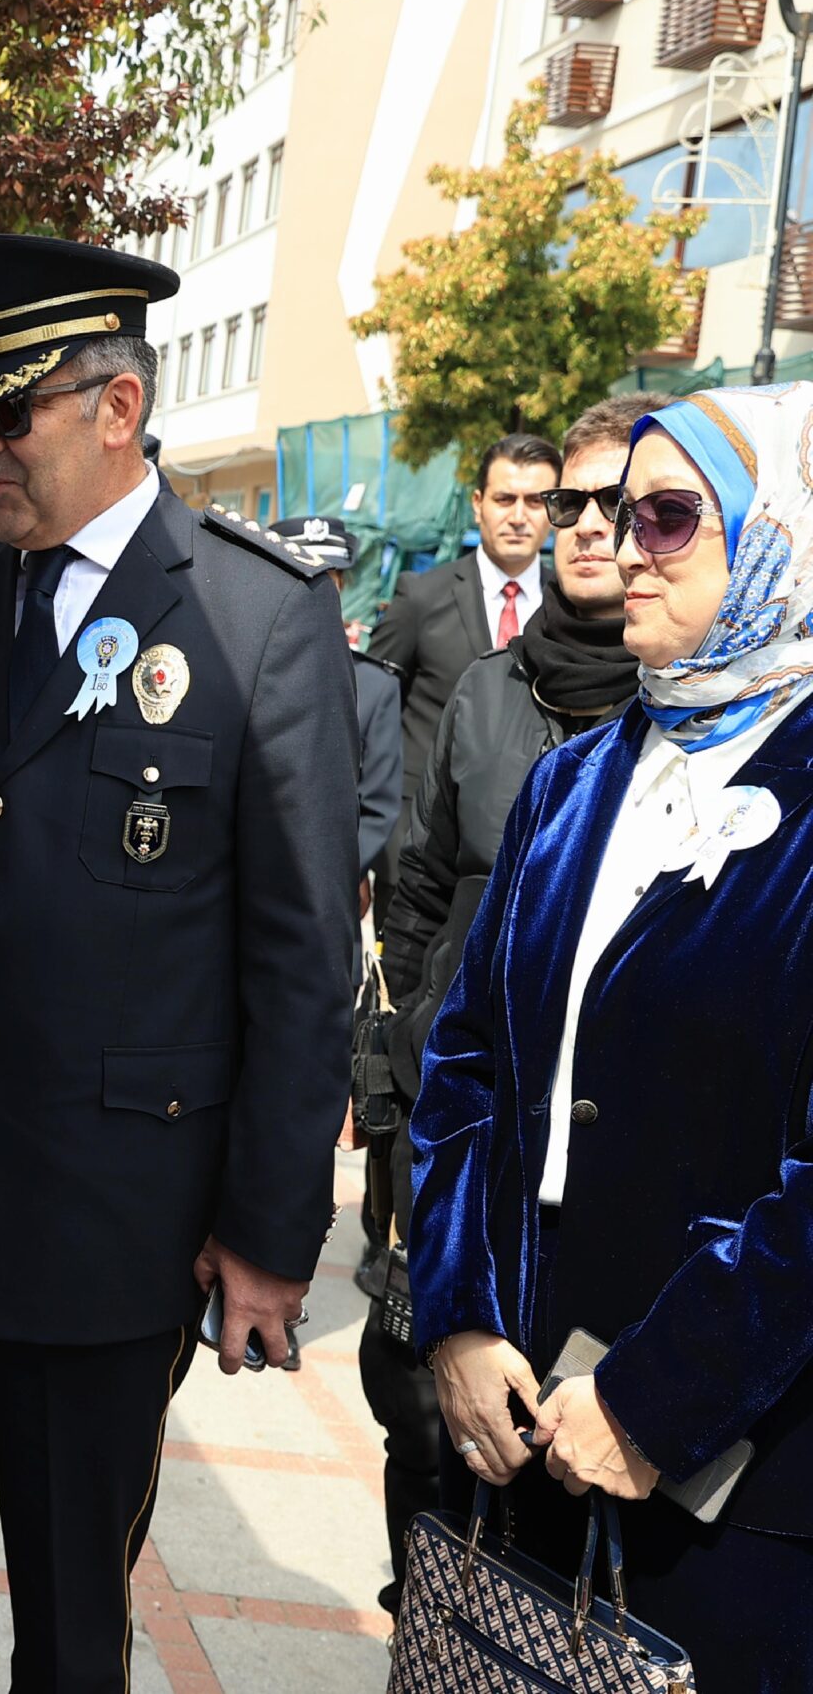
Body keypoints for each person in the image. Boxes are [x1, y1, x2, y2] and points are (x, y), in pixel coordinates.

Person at [0, 234, 357, 1693]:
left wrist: (270, 1232)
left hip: (102, 1235)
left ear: (116, 408)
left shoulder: (253, 616)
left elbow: (300, 958)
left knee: (68, 1626)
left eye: (11, 409)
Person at [408, 383, 813, 1690]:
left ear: (773, 536)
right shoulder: (572, 781)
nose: (624, 542)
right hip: (517, 1429)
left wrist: (654, 1395)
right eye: (610, 510)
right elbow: (468, 1058)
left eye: (670, 515)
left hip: (737, 1480)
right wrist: (460, 1314)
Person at [355, 393, 659, 1622]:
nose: (586, 529)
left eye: (616, 504)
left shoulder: (686, 722)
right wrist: (400, 1048)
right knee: (421, 1407)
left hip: (600, 1161)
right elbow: (419, 885)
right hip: (456, 1116)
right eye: (564, 503)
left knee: (563, 1457)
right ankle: (427, 1623)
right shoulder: (484, 692)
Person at [368, 432, 562, 908]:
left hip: (533, 863)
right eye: (504, 499)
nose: (518, 516)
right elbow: (367, 725)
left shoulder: (570, 608)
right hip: (421, 859)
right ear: (478, 504)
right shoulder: (421, 598)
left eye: (536, 501)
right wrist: (374, 848)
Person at [275, 516, 402, 907]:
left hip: (327, 897)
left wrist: (337, 872)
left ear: (342, 585)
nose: (315, 586)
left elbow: (378, 806)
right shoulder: (238, 669)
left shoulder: (375, 686)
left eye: (328, 576)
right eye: (301, 570)